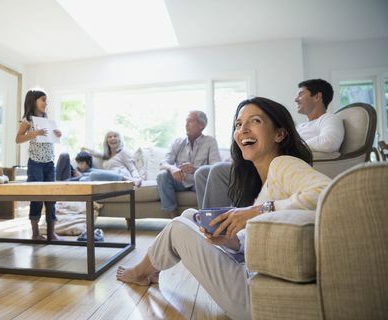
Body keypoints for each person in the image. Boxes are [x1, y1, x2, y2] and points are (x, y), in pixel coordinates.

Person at [116, 97, 332, 320]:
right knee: (191, 215)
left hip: (255, 295)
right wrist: (231, 241)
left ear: (279, 133)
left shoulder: (283, 163)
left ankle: (140, 272)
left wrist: (255, 212)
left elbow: (329, 194)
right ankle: (152, 268)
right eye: (238, 124)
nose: (243, 129)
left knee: (179, 227)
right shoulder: (266, 184)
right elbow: (266, 236)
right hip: (252, 276)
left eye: (254, 121)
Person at [195, 78, 344, 209]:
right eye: (238, 124)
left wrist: (297, 143)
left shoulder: (328, 119)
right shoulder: (302, 126)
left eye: (301, 94)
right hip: (264, 169)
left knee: (218, 170)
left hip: (281, 162)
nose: (296, 99)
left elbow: (329, 142)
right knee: (202, 175)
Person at [15, 89, 62, 241]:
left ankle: (51, 233)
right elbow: (18, 139)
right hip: (35, 163)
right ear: (33, 101)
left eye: (46, 100)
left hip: (49, 163)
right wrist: (34, 134)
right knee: (36, 197)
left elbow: (50, 138)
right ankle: (35, 233)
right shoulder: (27, 121)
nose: (45, 103)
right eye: (43, 99)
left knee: (51, 199)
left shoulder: (47, 120)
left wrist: (57, 134)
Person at [157, 110, 221, 218]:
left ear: (201, 125)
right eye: (186, 121)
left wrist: (195, 169)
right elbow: (163, 163)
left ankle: (205, 218)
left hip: (198, 181)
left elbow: (216, 167)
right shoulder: (178, 141)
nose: (186, 125)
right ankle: (174, 218)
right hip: (180, 180)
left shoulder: (210, 141)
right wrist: (172, 169)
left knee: (208, 181)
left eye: (190, 121)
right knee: (162, 176)